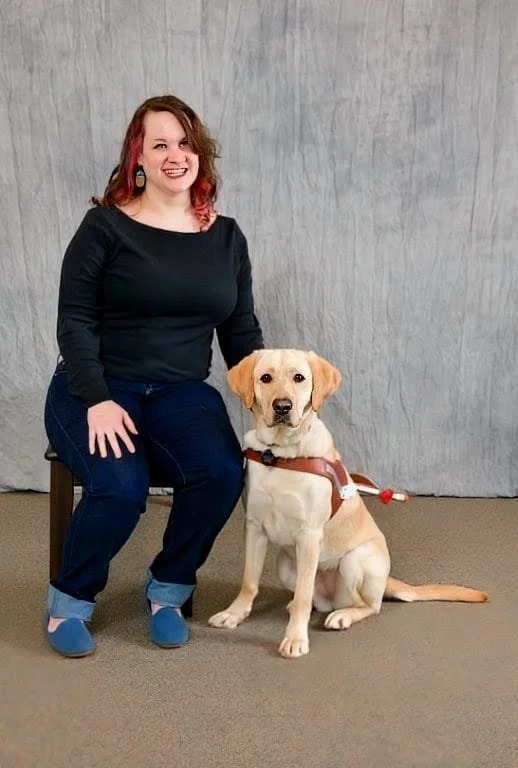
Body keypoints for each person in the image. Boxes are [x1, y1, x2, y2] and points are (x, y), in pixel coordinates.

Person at [44, 95, 264, 657]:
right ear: (137, 157)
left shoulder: (226, 237)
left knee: (219, 473)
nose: (175, 155)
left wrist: (270, 409)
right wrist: (95, 397)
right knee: (121, 488)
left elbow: (240, 331)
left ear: (201, 155)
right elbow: (75, 319)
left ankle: (167, 590)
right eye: (159, 143)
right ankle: (69, 601)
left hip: (180, 391)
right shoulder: (104, 227)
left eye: (185, 142)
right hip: (95, 385)